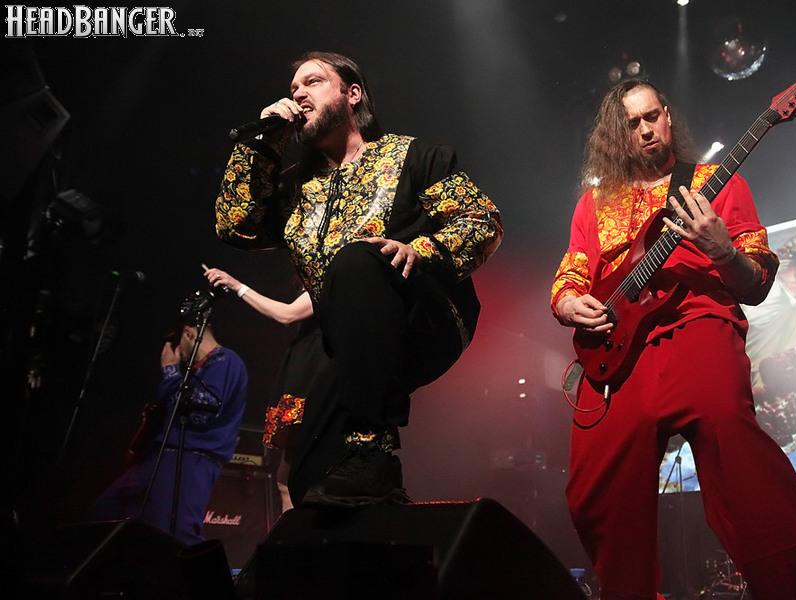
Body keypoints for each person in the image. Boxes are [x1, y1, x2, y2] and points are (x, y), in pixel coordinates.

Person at [550, 79, 796, 599]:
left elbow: (757, 280)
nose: (646, 130)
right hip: (619, 354)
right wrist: (567, 305)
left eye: (652, 116)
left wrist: (723, 252)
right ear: (618, 136)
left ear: (667, 116)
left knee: (742, 470)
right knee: (594, 494)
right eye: (632, 124)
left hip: (699, 327)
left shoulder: (718, 183)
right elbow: (570, 276)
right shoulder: (594, 203)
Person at [215, 51, 502, 508]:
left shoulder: (415, 157)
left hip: (424, 317)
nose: (299, 94)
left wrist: (421, 250)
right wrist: (264, 144)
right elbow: (235, 225)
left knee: (356, 260)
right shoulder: (297, 187)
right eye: (293, 89)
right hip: (347, 343)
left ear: (352, 94)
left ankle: (374, 448)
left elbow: (482, 220)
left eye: (313, 82)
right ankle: (376, 505)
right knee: (311, 480)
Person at [88, 304, 248, 546]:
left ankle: (206, 572)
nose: (177, 351)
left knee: (178, 532)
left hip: (191, 458)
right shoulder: (199, 369)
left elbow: (201, 413)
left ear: (189, 334)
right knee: (107, 511)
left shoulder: (226, 361)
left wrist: (170, 370)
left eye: (177, 342)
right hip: (166, 456)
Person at [203, 266, 331, 514]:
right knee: (285, 480)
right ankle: (288, 537)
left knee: (300, 479)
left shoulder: (331, 275)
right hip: (303, 370)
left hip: (316, 377)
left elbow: (287, 314)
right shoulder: (315, 274)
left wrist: (237, 285)